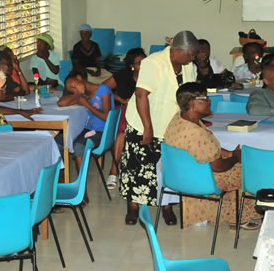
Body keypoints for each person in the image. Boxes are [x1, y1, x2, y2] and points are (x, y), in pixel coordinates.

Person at [120, 31, 198, 226]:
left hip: (171, 126)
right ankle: (133, 206)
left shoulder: (189, 67)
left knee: (167, 168)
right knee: (137, 167)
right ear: (177, 50)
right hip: (143, 122)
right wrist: (148, 128)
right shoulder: (153, 63)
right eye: (190, 54)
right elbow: (140, 95)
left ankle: (167, 206)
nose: (193, 58)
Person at [163, 82, 258, 229]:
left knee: (241, 164)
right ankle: (239, 217)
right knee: (251, 170)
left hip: (179, 176)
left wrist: (230, 153)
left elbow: (209, 150)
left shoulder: (179, 119)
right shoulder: (196, 133)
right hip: (202, 180)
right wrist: (235, 158)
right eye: (205, 98)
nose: (209, 101)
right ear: (192, 104)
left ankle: (232, 212)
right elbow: (218, 167)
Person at [104, 47, 146, 189]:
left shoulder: (152, 77)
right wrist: (120, 99)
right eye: (139, 62)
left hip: (146, 113)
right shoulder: (122, 76)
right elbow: (102, 89)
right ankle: (113, 171)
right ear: (131, 66)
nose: (143, 65)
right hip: (125, 110)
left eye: (145, 61)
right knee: (122, 133)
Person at [57, 73, 114, 172]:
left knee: (78, 146)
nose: (74, 89)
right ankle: (59, 180)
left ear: (79, 77)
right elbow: (61, 103)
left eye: (74, 86)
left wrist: (87, 104)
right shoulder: (83, 95)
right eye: (71, 90)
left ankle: (80, 185)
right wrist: (77, 94)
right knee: (58, 140)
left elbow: (106, 117)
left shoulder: (103, 90)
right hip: (88, 130)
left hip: (103, 132)